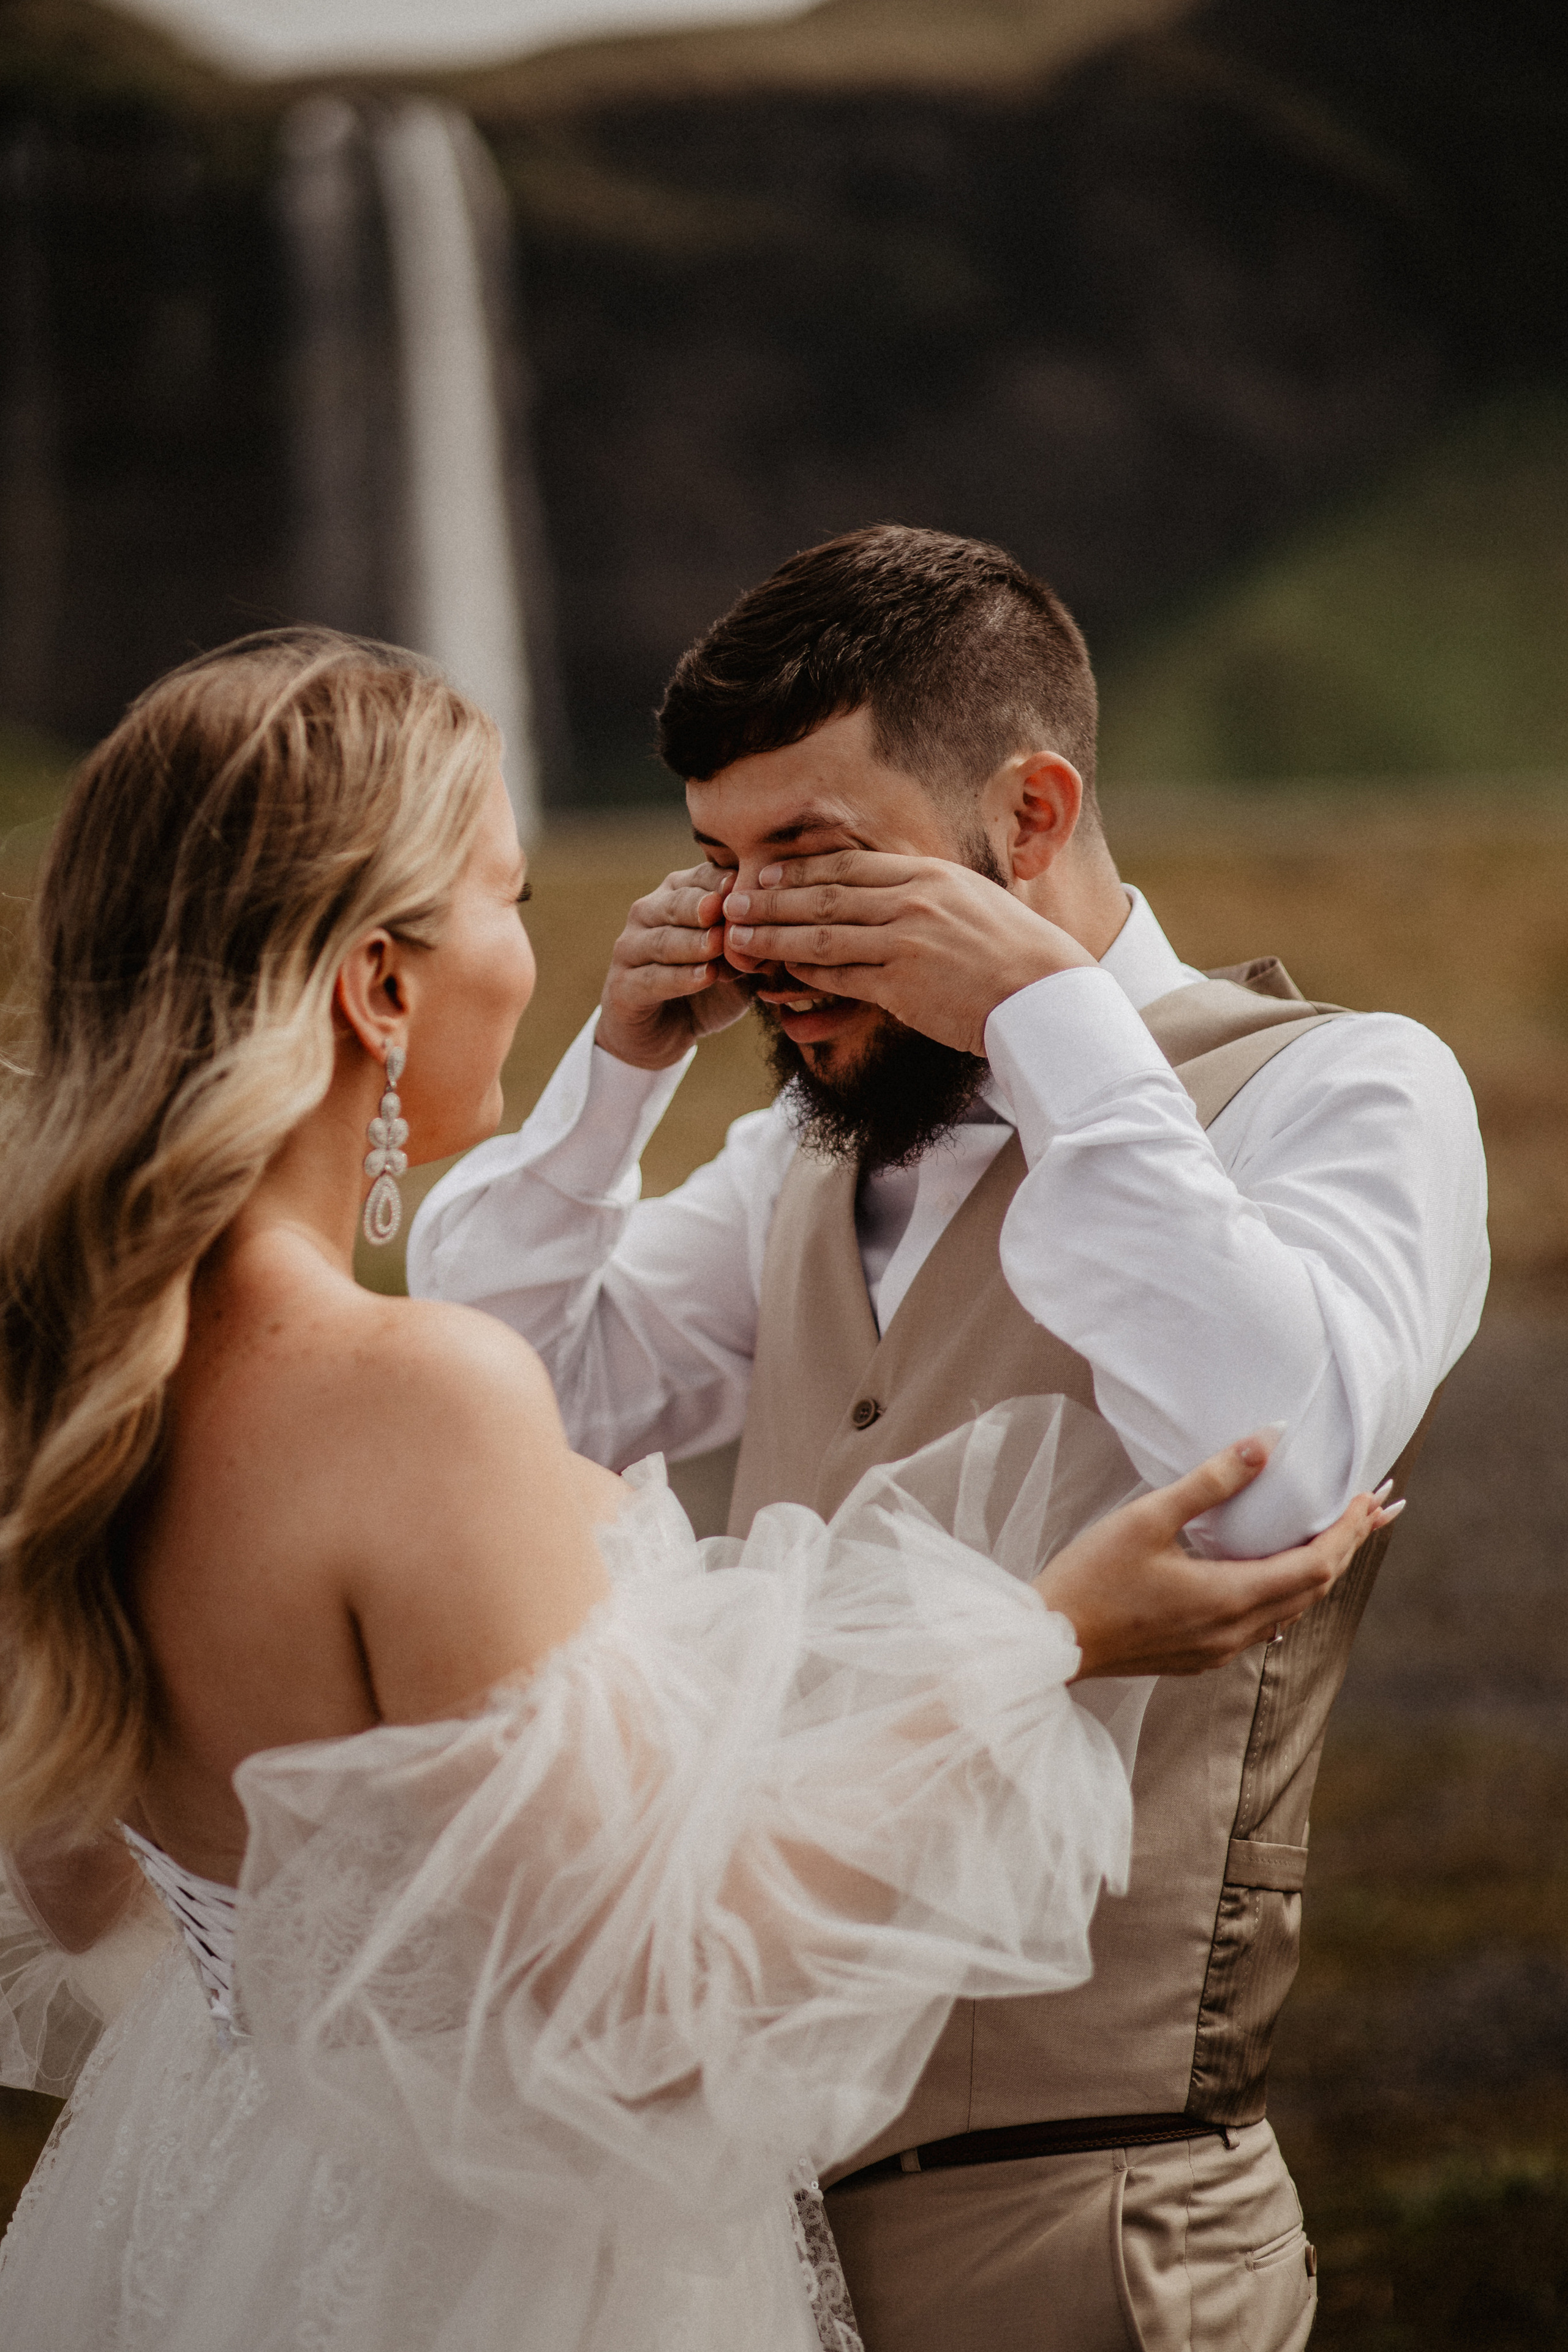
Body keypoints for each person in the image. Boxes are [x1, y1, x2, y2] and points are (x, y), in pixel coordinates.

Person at [0, 628, 1385, 2352]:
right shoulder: (413, 1400)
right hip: (511, 2282)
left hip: (226, 2218)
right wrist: (1046, 1641)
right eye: (508, 898)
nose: (575, 944)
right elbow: (639, 2017)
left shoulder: (69, 1394)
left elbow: (78, 1892)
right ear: (380, 984)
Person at [409, 526, 1490, 2352]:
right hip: (733, 2243)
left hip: (1100, 2225)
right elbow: (495, 1412)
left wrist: (1043, 1024)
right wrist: (615, 1081)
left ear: (1035, 814)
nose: (756, 932)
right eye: (719, 869)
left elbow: (1274, 1468)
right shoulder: (800, 1159)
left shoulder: (1351, 1089)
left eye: (814, 863)